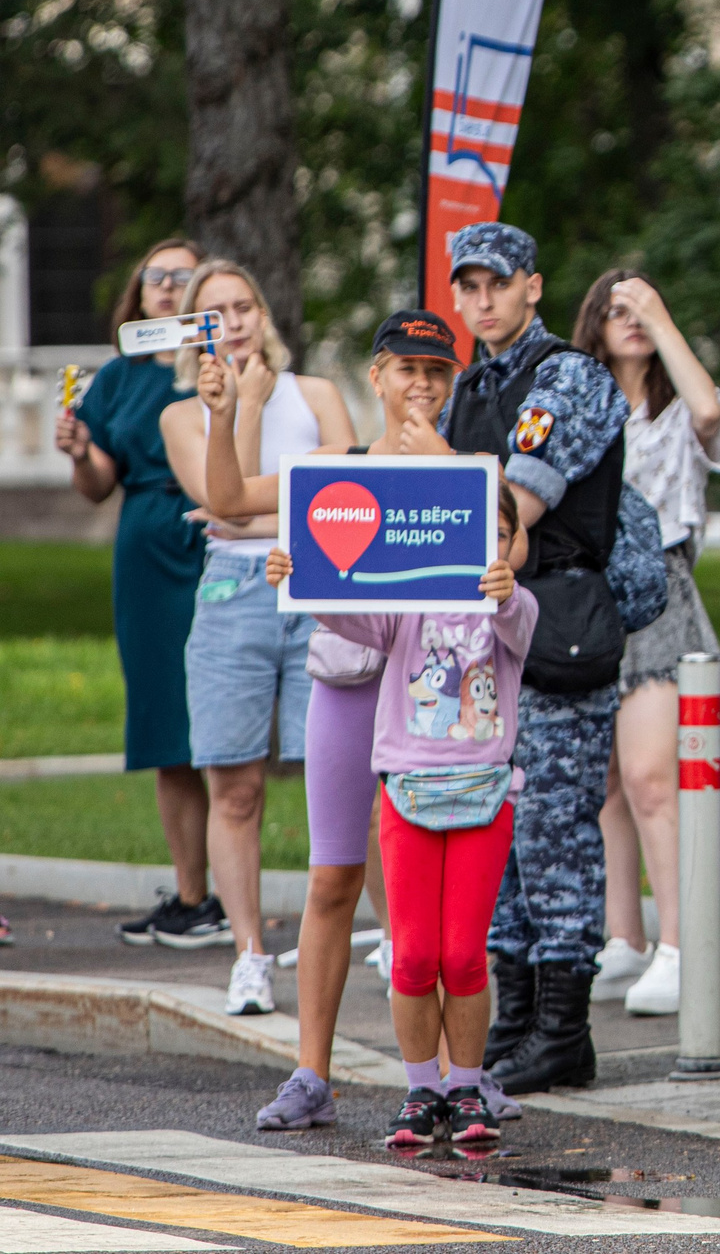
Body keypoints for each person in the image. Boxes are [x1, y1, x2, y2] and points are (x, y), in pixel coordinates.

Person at [208, 311, 461, 1131]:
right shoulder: (332, 471)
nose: (421, 384)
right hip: (349, 687)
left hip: (434, 702)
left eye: (437, 371)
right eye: (406, 368)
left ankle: (458, 1076)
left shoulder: (465, 472)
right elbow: (228, 499)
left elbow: (510, 552)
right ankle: (311, 1074)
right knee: (333, 876)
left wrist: (445, 468)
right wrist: (225, 413)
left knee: (438, 890)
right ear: (377, 376)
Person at [427, 222, 664, 1095]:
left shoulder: (569, 376)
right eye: (469, 286)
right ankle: (518, 1019)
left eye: (498, 282)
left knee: (555, 833)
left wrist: (429, 503)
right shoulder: (468, 387)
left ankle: (564, 1032)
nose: (482, 299)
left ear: (533, 284)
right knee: (501, 833)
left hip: (554, 624)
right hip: (482, 633)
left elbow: (514, 505)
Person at [265, 488, 534, 1149]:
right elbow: (346, 615)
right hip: (407, 795)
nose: (487, 549)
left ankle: (464, 1086)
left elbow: (516, 621)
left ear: (513, 544)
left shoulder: (516, 606)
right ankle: (421, 1091)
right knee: (413, 956)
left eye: (499, 536)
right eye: (475, 534)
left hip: (483, 796)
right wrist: (299, 577)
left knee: (463, 955)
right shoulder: (405, 604)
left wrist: (503, 590)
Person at [159, 261, 357, 1017]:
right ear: (194, 331)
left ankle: (345, 933)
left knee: (337, 773)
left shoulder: (318, 395)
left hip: (319, 586)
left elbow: (350, 496)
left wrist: (242, 513)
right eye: (214, 313)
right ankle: (249, 953)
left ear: (264, 313)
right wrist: (241, 408)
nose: (234, 322)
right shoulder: (182, 416)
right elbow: (227, 499)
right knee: (234, 785)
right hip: (233, 594)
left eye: (244, 306)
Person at [575, 268, 720, 1019]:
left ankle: (682, 944)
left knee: (650, 776)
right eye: (618, 310)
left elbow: (708, 411)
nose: (633, 320)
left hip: (661, 588)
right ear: (594, 325)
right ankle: (625, 938)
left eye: (644, 308)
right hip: (587, 594)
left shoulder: (677, 412)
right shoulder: (583, 408)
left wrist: (660, 319)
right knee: (607, 779)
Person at [57, 237, 220, 949]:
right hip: (145, 550)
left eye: (183, 276)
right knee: (163, 723)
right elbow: (98, 483)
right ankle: (191, 895)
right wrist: (78, 452)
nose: (167, 286)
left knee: (221, 717)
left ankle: (235, 890)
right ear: (139, 288)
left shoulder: (216, 361)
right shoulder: (118, 376)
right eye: (156, 275)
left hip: (214, 535)